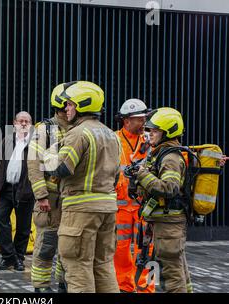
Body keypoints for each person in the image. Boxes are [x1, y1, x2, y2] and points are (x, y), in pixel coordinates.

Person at [43, 81, 121, 293]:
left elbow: (61, 168)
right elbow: (118, 173)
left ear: (81, 106)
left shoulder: (78, 133)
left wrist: (48, 153)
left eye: (69, 105)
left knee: (78, 266)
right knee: (103, 265)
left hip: (80, 209)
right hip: (107, 208)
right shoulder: (111, 135)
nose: (65, 109)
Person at [134, 107, 190, 293]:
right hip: (163, 223)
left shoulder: (171, 158)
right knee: (177, 269)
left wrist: (142, 175)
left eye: (155, 131)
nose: (150, 134)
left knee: (171, 274)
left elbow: (169, 188)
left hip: (169, 225)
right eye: (149, 130)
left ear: (168, 133)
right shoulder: (160, 153)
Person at [27, 83, 71, 292]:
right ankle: (41, 288)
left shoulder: (78, 128)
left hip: (71, 200)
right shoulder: (45, 129)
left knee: (68, 247)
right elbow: (33, 163)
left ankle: (63, 283)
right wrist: (41, 196)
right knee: (46, 246)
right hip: (50, 201)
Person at [113, 99, 155, 293]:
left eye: (145, 118)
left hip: (144, 206)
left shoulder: (150, 140)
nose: (144, 122)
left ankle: (146, 288)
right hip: (120, 206)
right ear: (127, 120)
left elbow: (174, 153)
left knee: (147, 250)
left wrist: (210, 160)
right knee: (120, 250)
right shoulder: (113, 140)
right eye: (140, 119)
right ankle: (124, 287)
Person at [0, 111, 34, 272]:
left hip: (25, 190)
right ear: (14, 123)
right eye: (21, 121)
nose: (24, 124)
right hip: (5, 188)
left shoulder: (35, 143)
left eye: (27, 121)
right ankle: (9, 257)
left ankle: (19, 258)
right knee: (0, 220)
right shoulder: (6, 140)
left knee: (23, 227)